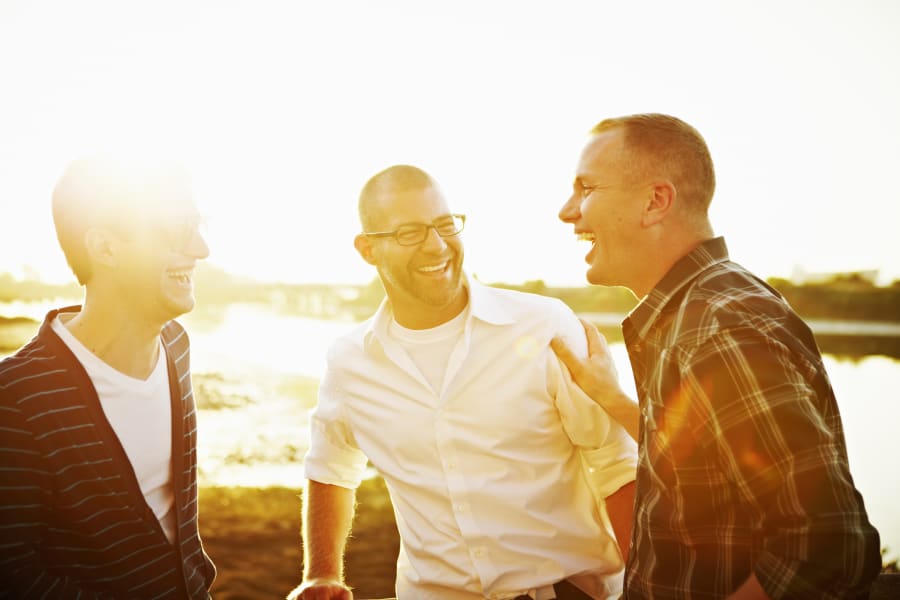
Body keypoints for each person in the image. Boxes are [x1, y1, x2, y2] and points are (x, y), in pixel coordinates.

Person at [551, 113, 881, 598]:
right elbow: (705, 467)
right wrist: (612, 398)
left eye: (586, 188)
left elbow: (826, 546)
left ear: (654, 201)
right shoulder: (695, 312)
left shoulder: (722, 326)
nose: (567, 211)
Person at [288, 165, 638, 600]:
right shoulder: (350, 360)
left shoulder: (544, 326)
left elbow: (617, 464)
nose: (436, 246)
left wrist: (645, 588)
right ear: (368, 250)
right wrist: (322, 573)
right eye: (409, 233)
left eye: (444, 225)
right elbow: (329, 468)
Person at [0, 154, 216, 597]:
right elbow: (13, 571)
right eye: (177, 229)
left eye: (198, 224)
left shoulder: (176, 344)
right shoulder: (16, 397)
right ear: (105, 248)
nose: (200, 249)